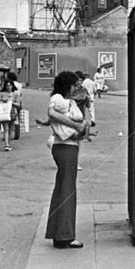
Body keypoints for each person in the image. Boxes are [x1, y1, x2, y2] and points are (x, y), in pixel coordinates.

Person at [44, 71, 86, 249]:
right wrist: (76, 125)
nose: (77, 89)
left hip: (65, 146)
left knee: (62, 187)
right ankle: (65, 235)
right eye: (74, 85)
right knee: (68, 189)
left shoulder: (65, 101)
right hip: (66, 146)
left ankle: (58, 232)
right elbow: (52, 113)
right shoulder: (59, 100)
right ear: (66, 85)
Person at [0, 82, 16, 151]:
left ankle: (9, 143)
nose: (8, 87)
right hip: (4, 112)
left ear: (12, 86)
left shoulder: (15, 94)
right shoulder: (2, 94)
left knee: (10, 128)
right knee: (6, 129)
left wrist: (12, 102)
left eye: (10, 85)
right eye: (7, 85)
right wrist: (2, 99)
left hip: (12, 112)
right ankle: (6, 144)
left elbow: (19, 104)